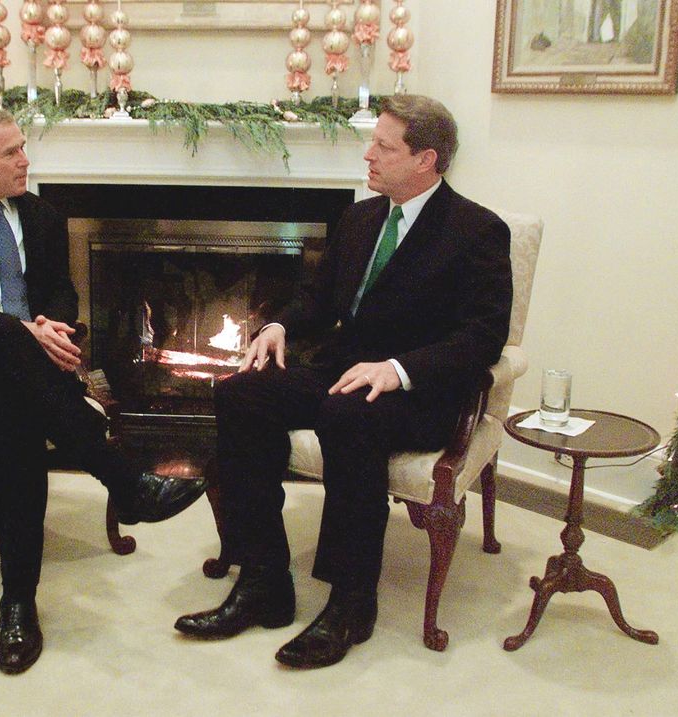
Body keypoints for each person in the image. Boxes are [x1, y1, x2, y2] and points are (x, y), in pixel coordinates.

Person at [174, 95, 513, 669]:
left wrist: (399, 370)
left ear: (426, 159)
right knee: (240, 393)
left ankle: (352, 601)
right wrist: (278, 324)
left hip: (416, 390)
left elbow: (484, 336)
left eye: (383, 145)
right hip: (341, 371)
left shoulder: (477, 230)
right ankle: (264, 581)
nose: (368, 153)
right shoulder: (360, 218)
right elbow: (319, 298)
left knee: (346, 415)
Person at [0, 108, 207, 675]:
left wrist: (53, 327)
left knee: (12, 411)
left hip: (12, 376)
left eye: (23, 148)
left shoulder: (41, 215)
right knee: (8, 358)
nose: (25, 160)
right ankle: (125, 480)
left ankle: (19, 604)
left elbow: (60, 290)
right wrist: (24, 333)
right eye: (11, 153)